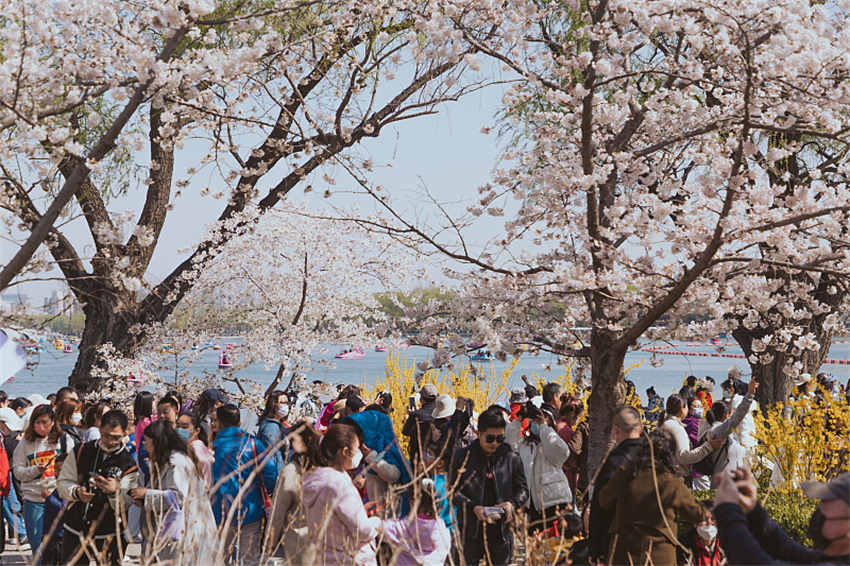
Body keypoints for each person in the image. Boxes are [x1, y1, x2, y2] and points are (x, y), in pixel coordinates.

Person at [599, 429, 706, 566]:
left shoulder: (626, 474)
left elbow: (604, 500)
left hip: (624, 553)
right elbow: (697, 513)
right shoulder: (672, 482)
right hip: (660, 556)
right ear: (670, 454)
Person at [714, 468, 849, 564]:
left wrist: (727, 510)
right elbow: (789, 552)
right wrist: (753, 511)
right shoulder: (836, 559)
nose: (819, 514)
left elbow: (756, 562)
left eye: (826, 511)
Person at [57, 409, 138, 566]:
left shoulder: (129, 464)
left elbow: (127, 504)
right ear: (99, 429)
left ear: (125, 433)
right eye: (106, 435)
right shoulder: (81, 450)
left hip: (110, 531)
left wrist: (115, 492)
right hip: (76, 527)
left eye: (116, 437)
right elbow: (63, 482)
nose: (110, 441)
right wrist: (76, 492)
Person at [129, 420, 216, 563]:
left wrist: (146, 495)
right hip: (170, 533)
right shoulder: (165, 460)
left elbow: (177, 497)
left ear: (157, 442)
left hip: (182, 532)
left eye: (146, 441)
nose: (144, 445)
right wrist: (143, 499)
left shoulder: (176, 462)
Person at [451, 407, 528, 566]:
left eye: (500, 439)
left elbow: (523, 490)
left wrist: (512, 504)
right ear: (479, 433)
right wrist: (473, 507)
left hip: (501, 531)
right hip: (471, 530)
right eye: (490, 438)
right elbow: (452, 491)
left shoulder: (511, 457)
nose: (495, 444)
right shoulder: (462, 457)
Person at [301, 423, 381, 566]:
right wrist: (376, 523)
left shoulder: (315, 478)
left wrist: (360, 511)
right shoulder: (339, 484)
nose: (359, 454)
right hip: (349, 559)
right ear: (345, 451)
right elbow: (362, 530)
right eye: (356, 449)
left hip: (324, 558)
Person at [211, 403, 278, 564]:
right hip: (250, 510)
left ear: (219, 423)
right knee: (250, 559)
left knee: (219, 559)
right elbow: (270, 473)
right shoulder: (253, 444)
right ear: (239, 422)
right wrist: (267, 492)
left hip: (219, 512)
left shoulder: (212, 447)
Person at [587, 405, 644, 563]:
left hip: (620, 541)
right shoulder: (654, 455)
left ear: (615, 430)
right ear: (641, 428)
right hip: (653, 541)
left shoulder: (615, 461)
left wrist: (595, 547)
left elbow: (601, 506)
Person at [506, 400, 572, 533]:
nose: (536, 422)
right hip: (530, 506)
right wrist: (519, 419)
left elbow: (562, 453)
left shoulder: (551, 441)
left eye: (542, 417)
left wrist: (543, 427)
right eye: (534, 419)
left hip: (553, 504)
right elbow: (508, 442)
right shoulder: (524, 445)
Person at [264, 421, 319, 560]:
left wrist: (269, 544)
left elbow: (278, 512)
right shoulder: (326, 469)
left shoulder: (290, 472)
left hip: (297, 544)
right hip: (324, 544)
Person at [12, 404, 61, 559]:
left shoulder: (62, 441)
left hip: (58, 499)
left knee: (59, 547)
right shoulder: (25, 443)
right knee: (38, 548)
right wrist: (35, 470)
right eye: (37, 422)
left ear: (53, 422)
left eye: (44, 422)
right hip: (34, 500)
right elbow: (17, 472)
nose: (40, 426)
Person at [344, 405, 410, 513]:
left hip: (388, 512)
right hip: (374, 509)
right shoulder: (369, 447)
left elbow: (393, 475)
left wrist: (371, 456)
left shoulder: (386, 449)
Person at [379, 477, 451, 566]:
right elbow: (444, 547)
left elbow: (378, 528)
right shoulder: (440, 529)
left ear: (413, 503)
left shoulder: (401, 527)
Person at [661, 394, 724, 475]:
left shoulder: (666, 424)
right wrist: (709, 446)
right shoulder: (677, 428)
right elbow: (684, 457)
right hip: (677, 474)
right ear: (682, 409)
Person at [40, 452, 67, 565]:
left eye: (61, 470)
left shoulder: (68, 489)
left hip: (61, 539)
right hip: (50, 538)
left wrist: (49, 498)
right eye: (55, 470)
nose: (57, 474)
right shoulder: (59, 487)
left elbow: (64, 510)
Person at [401, 384, 438, 463]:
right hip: (436, 458)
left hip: (418, 458)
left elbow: (405, 432)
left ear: (422, 398)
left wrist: (409, 416)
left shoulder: (416, 415)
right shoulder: (441, 414)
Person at [175, 413, 213, 487]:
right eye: (178, 426)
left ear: (197, 431)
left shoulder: (195, 448)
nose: (180, 430)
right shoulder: (199, 446)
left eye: (184, 427)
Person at [681, 500, 724, 566]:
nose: (709, 522)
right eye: (704, 519)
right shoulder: (683, 547)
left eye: (713, 519)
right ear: (695, 523)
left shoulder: (726, 545)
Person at [257, 389, 290, 473]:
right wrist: (280, 474)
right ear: (273, 405)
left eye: (287, 403)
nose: (285, 406)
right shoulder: (270, 427)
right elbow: (274, 455)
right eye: (282, 403)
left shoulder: (280, 425)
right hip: (274, 473)